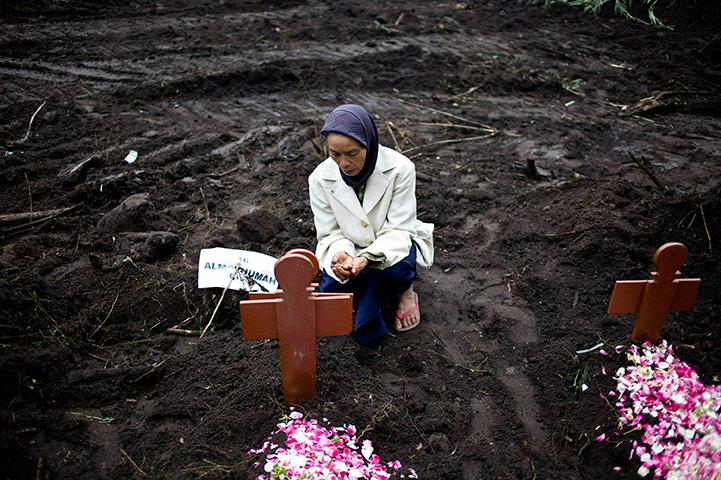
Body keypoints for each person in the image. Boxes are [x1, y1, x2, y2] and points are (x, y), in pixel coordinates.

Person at [308, 104, 434, 344]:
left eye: (352, 153)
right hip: (351, 246)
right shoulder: (319, 178)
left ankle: (406, 291)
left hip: (390, 243)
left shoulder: (400, 169)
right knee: (335, 289)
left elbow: (399, 229)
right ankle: (370, 291)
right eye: (335, 154)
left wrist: (367, 258)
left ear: (369, 142)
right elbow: (329, 233)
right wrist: (342, 255)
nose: (344, 163)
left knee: (396, 271)